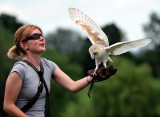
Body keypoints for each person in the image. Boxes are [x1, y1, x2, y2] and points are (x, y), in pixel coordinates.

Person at [3, 24, 116, 117]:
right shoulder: (20, 70)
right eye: (36, 36)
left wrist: (94, 76)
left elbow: (73, 86)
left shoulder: (49, 65)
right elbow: (8, 106)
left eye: (42, 35)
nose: (42, 38)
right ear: (24, 45)